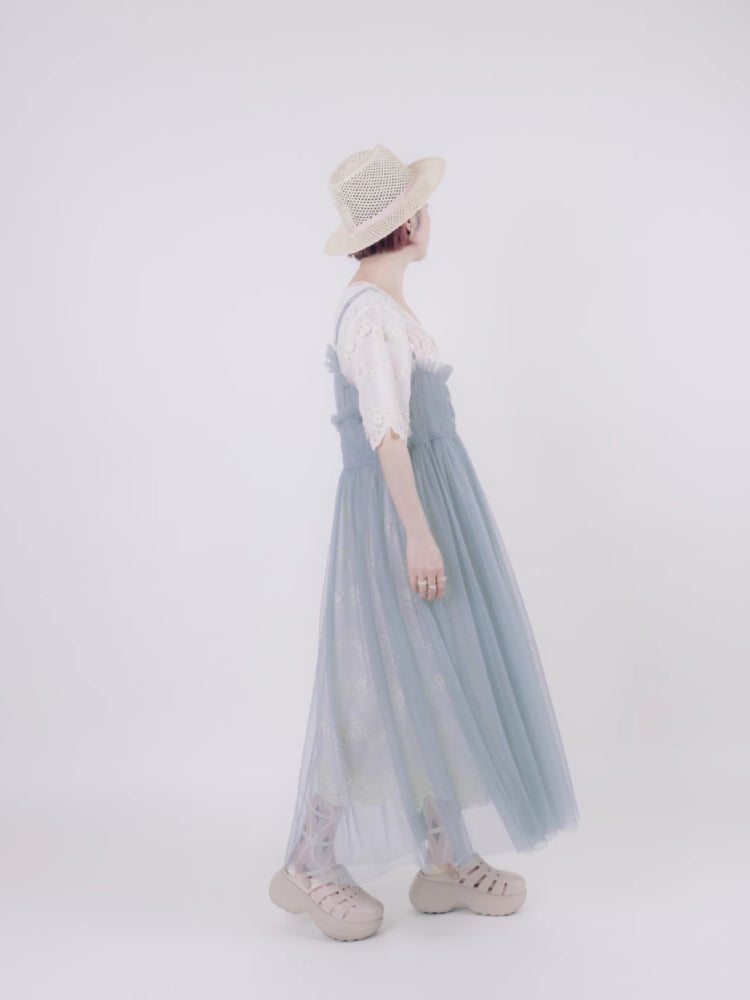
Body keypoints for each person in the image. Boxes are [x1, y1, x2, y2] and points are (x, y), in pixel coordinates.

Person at [268, 144, 580, 941]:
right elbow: (386, 433)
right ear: (408, 224)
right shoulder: (371, 316)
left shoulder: (386, 307)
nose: (430, 216)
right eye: (422, 206)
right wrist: (416, 534)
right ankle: (309, 858)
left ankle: (442, 856)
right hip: (399, 517)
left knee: (433, 679)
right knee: (374, 689)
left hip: (424, 510)